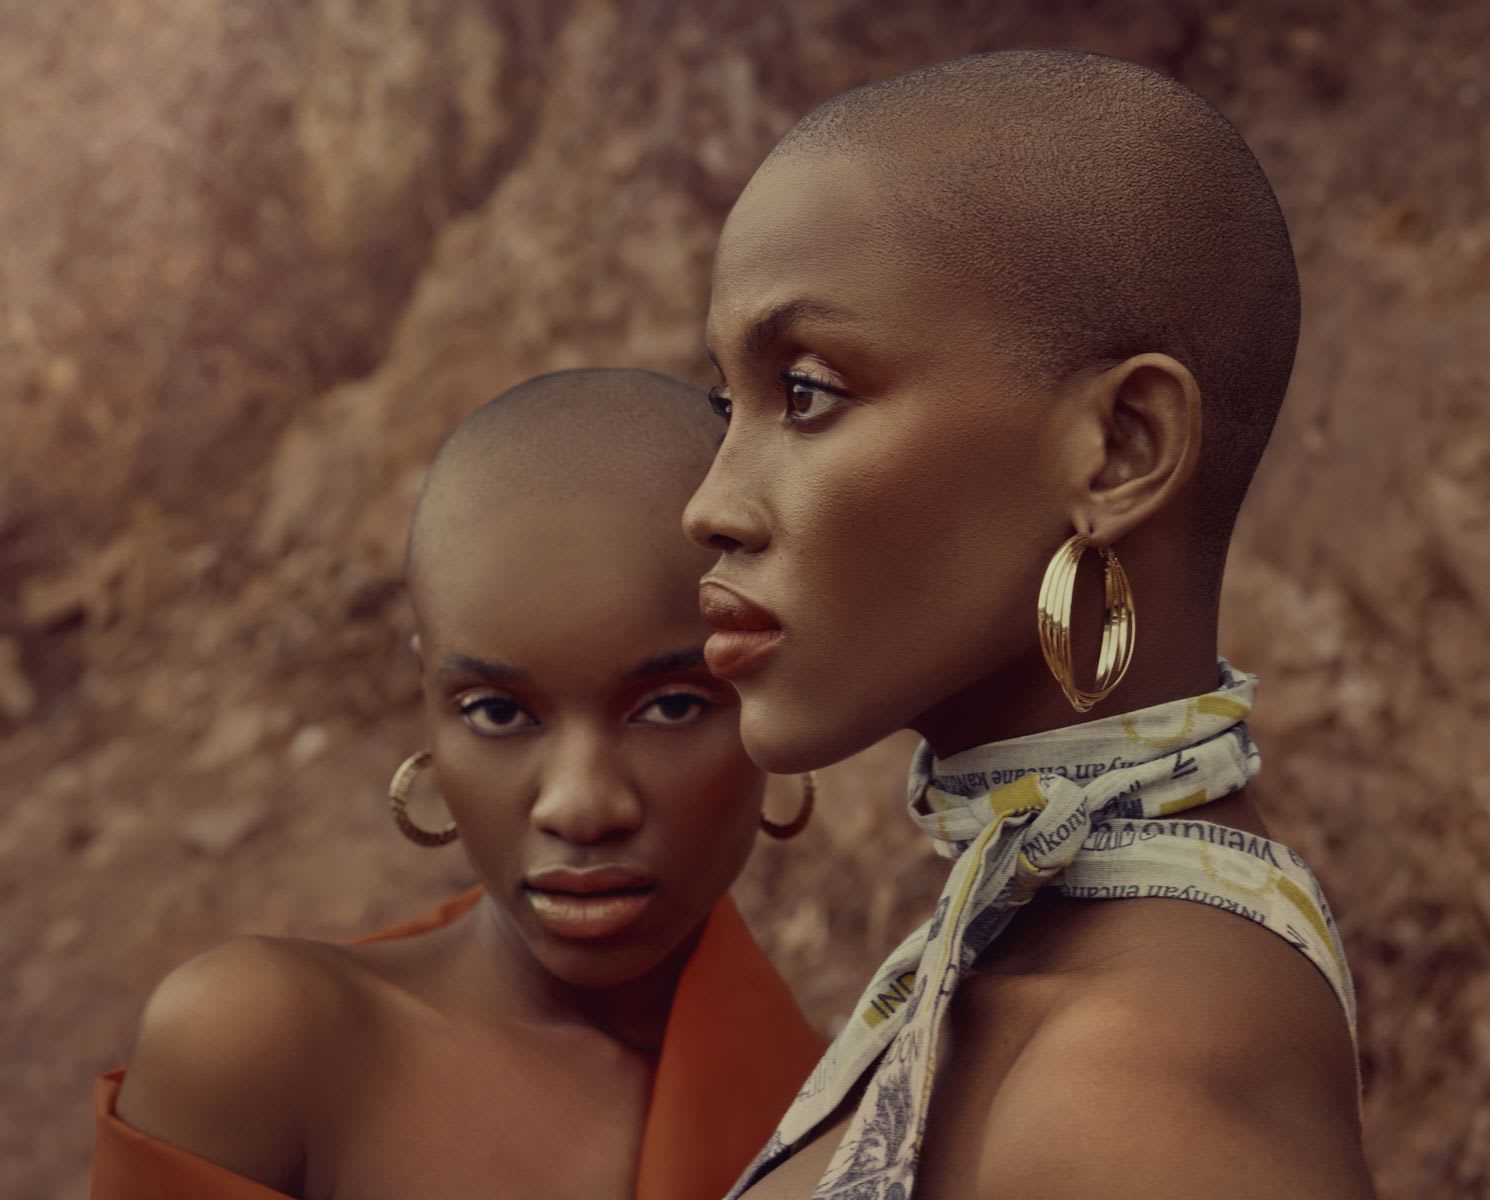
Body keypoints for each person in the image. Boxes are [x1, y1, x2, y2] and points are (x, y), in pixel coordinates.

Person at [685, 50, 1373, 1199]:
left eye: (806, 393)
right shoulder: (1056, 958)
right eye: (728, 405)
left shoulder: (1124, 1104)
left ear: (1121, 450)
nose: (708, 504)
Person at [90, 369, 824, 1200]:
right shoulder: (262, 1046)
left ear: (775, 700)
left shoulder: (842, 1109)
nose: (580, 806)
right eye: (498, 714)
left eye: (671, 706)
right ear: (427, 704)